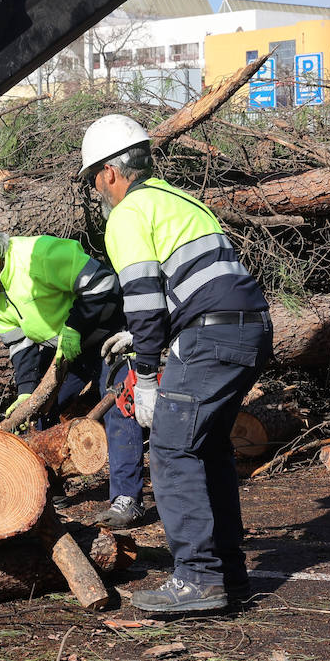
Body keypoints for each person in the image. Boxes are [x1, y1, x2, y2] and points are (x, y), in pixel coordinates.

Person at [79, 114, 272, 614]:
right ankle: (226, 573)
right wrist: (148, 333)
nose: (97, 193)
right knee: (207, 449)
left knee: (170, 448)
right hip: (247, 327)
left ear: (110, 174)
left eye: (94, 181)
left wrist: (143, 375)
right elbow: (183, 286)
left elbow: (143, 300)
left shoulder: (127, 214)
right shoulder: (178, 199)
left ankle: (198, 579)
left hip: (210, 333)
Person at [0, 220, 147, 529]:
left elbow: (104, 284)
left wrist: (75, 327)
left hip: (109, 334)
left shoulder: (40, 256)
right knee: (38, 410)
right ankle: (49, 491)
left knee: (120, 407)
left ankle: (127, 500)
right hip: (66, 351)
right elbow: (19, 344)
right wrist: (28, 391)